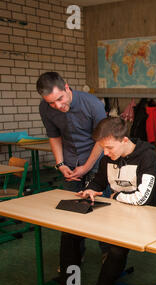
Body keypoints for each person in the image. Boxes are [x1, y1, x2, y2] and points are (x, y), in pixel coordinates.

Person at [55, 117, 156, 285]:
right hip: (114, 212)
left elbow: (144, 198)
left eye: (109, 147)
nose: (105, 152)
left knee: (117, 249)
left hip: (142, 217)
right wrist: (91, 190)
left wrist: (117, 196)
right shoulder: (108, 158)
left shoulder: (147, 156)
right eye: (102, 147)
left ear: (124, 140)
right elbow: (99, 182)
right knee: (69, 234)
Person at [37, 72, 108, 268]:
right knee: (70, 212)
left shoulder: (92, 104)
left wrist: (86, 167)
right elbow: (54, 136)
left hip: (95, 161)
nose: (57, 106)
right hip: (69, 162)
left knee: (101, 210)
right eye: (51, 103)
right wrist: (60, 164)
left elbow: (103, 140)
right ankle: (74, 257)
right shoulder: (45, 108)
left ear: (67, 88)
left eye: (59, 99)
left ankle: (108, 255)